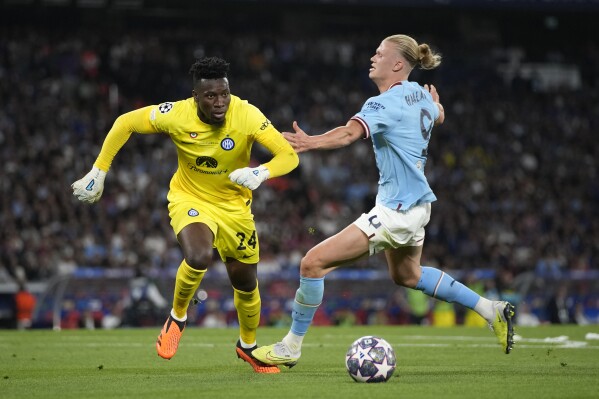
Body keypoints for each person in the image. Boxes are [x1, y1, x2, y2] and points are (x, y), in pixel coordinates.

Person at [252, 34, 515, 368]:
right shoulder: (420, 95)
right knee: (407, 275)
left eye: (379, 53)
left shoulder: (382, 103)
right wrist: (437, 105)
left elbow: (349, 134)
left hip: (396, 210)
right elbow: (439, 114)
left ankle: (291, 347)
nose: (372, 58)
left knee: (311, 263)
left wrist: (308, 142)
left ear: (397, 64)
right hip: (420, 207)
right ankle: (489, 309)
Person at [72, 56, 299, 373]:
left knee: (246, 284)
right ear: (196, 97)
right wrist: (100, 169)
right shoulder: (176, 114)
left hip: (235, 207)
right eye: (211, 96)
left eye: (224, 94)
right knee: (198, 255)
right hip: (190, 197)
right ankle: (178, 317)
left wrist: (262, 173)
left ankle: (247, 346)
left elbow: (288, 156)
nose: (219, 102)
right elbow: (126, 122)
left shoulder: (247, 115)